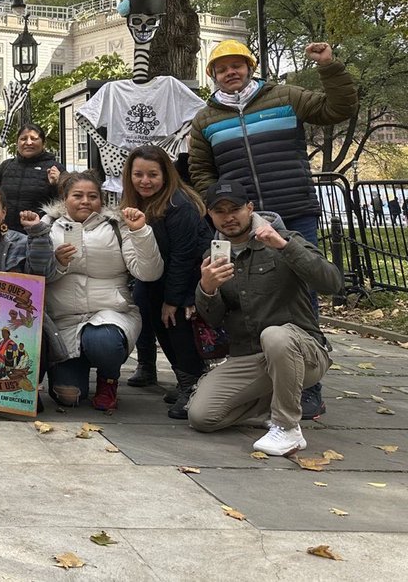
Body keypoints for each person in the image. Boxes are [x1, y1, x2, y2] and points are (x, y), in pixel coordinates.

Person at [189, 39, 357, 421]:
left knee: (304, 292)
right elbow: (201, 171)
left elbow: (338, 108)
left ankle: (308, 386)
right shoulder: (205, 120)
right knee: (238, 287)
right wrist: (220, 206)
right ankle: (255, 370)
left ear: (250, 67)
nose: (231, 72)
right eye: (222, 68)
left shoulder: (284, 96)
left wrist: (329, 66)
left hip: (292, 210)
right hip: (239, 218)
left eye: (238, 65)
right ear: (213, 75)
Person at [187, 180, 343, 455]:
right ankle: (272, 408)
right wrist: (207, 289)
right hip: (250, 357)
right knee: (202, 416)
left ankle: (287, 428)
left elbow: (332, 283)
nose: (228, 217)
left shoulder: (285, 239)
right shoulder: (213, 256)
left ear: (250, 208)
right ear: (210, 215)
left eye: (234, 208)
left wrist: (283, 246)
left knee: (275, 335)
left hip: (301, 350)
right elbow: (213, 320)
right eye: (219, 211)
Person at [43, 172, 164, 411]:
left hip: (110, 313)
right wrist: (58, 264)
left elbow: (149, 273)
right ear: (64, 199)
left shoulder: (117, 227)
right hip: (64, 321)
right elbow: (37, 275)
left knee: (101, 342)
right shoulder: (47, 227)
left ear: (101, 200)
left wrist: (140, 232)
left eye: (93, 196)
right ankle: (77, 367)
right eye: (77, 195)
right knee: (69, 396)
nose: (85, 201)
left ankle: (108, 379)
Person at [120, 145, 212, 418]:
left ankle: (192, 386)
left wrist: (173, 300)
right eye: (138, 174)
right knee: (161, 326)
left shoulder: (179, 204)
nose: (145, 181)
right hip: (158, 278)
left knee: (178, 329)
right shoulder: (139, 202)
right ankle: (184, 381)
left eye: (152, 175)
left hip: (186, 279)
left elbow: (184, 256)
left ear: (166, 175)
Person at [0, 124, 63, 232]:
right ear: (17, 143)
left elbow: (66, 202)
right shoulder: (6, 166)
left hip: (39, 232)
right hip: (4, 232)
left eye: (34, 139)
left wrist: (56, 184)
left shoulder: (56, 168)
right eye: (23, 139)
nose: (28, 143)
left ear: (43, 143)